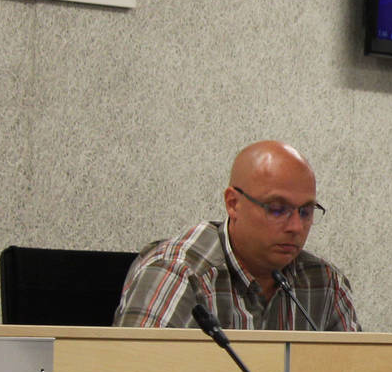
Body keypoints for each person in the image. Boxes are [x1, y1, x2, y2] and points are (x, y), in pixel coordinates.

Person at [115, 140, 358, 330]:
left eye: (305, 211)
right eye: (277, 209)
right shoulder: (179, 273)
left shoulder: (324, 283)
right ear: (233, 203)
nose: (296, 226)